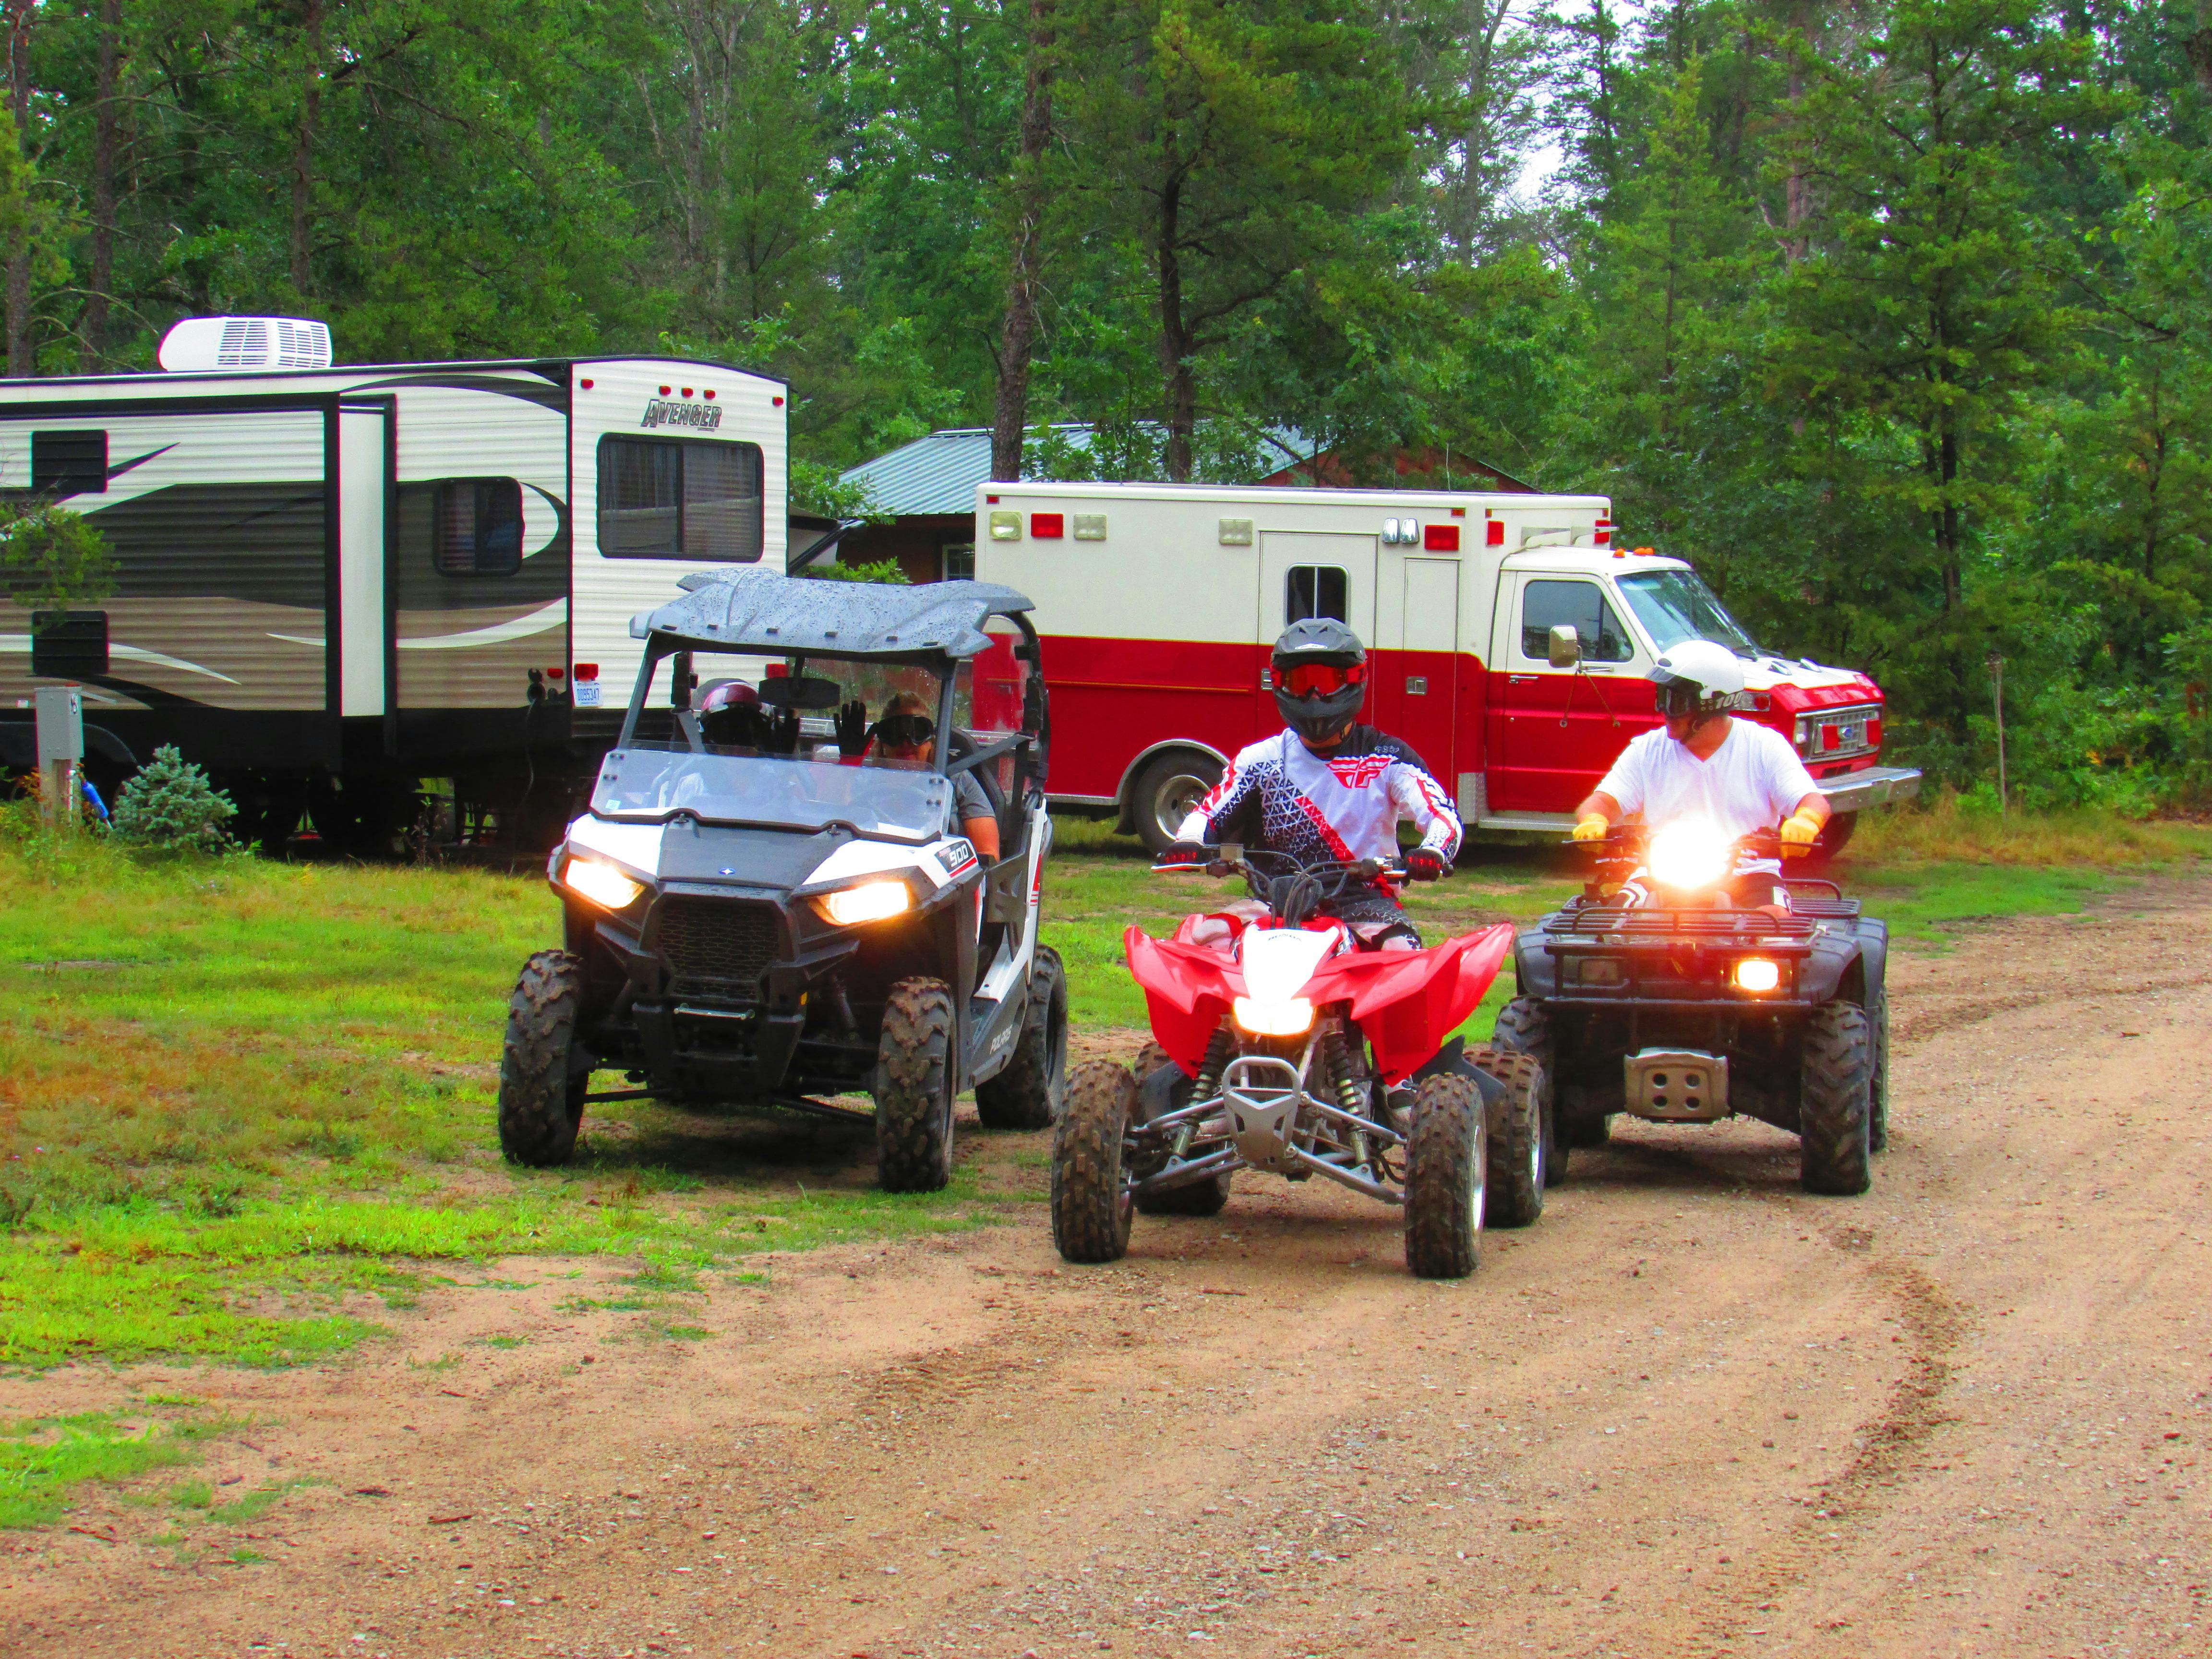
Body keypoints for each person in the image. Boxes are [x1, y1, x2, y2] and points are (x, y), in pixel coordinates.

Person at [1159, 618, 1461, 949]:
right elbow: (1209, 813)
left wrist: (1433, 850)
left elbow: (1441, 816)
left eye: (1327, 682)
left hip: (1365, 901)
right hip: (1274, 901)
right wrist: (1188, 841)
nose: (1315, 695)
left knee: (1403, 955)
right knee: (1199, 941)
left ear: (1355, 680)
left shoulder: (1388, 758)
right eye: (1302, 682)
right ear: (1280, 684)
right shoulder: (1261, 760)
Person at [1571, 637, 1828, 915]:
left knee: (1774, 924)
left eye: (1676, 702)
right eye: (1662, 699)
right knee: (1617, 924)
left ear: (1711, 703)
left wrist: (1806, 820)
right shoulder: (1648, 748)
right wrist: (1594, 819)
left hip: (1750, 873)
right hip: (1659, 872)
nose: (1665, 712)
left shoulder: (1764, 745)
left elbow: (1812, 800)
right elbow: (1603, 801)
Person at [866, 689, 1000, 859]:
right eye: (895, 733)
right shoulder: (865, 780)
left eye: (918, 733)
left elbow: (989, 855)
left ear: (931, 741)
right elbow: (834, 826)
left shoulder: (957, 780)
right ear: (883, 742)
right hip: (874, 869)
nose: (906, 742)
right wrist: (848, 760)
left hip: (942, 877)